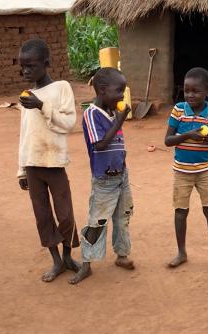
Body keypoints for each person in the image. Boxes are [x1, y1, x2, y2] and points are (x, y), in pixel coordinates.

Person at [17, 39, 80, 282]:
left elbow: (67, 124)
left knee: (65, 214)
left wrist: (42, 105)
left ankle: (67, 256)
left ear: (46, 63)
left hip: (54, 163)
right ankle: (56, 260)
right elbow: (24, 135)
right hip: (32, 165)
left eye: (30, 66)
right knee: (42, 215)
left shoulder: (62, 88)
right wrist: (21, 170)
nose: (26, 71)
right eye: (23, 67)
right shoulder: (26, 97)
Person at [164, 67, 208, 270]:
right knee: (180, 212)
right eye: (186, 91)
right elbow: (168, 141)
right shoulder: (178, 110)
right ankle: (181, 252)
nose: (190, 95)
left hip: (205, 171)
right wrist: (188, 135)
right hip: (182, 172)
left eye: (195, 91)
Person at [69, 67, 134, 285]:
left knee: (123, 216)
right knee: (97, 222)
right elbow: (101, 143)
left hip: (121, 176)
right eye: (119, 91)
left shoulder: (113, 111)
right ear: (103, 90)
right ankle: (86, 264)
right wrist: (121, 120)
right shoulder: (91, 114)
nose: (122, 96)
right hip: (104, 180)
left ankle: (122, 255)